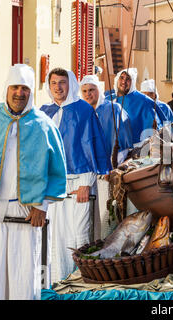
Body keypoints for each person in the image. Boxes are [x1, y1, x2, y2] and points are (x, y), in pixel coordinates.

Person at [0, 64, 67, 299]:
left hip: (26, 215)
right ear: (7, 88)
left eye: (25, 88)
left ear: (31, 91)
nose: (19, 93)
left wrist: (41, 207)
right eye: (15, 87)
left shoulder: (44, 125)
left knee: (22, 283)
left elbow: (55, 172)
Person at [40, 68, 112, 284]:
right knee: (56, 235)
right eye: (53, 83)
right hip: (53, 184)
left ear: (70, 84)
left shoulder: (83, 110)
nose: (58, 87)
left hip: (79, 182)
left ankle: (80, 280)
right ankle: (59, 282)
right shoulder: (44, 112)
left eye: (62, 82)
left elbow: (91, 144)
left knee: (79, 233)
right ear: (48, 85)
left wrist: (85, 183)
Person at [80, 75, 133, 240]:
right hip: (86, 174)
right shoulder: (81, 113)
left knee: (106, 214)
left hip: (107, 172)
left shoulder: (113, 109)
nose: (89, 94)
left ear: (99, 90)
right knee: (87, 216)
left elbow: (124, 142)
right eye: (85, 91)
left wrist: (113, 166)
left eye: (92, 90)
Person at [113, 68, 164, 145]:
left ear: (132, 82)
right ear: (117, 79)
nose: (124, 81)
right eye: (122, 77)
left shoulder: (144, 101)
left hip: (135, 150)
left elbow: (154, 128)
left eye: (128, 79)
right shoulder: (109, 99)